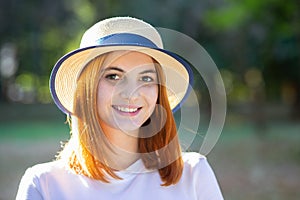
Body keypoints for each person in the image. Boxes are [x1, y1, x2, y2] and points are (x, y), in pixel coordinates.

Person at [16, 16, 224, 200]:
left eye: (146, 78)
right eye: (113, 76)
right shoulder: (44, 185)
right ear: (87, 89)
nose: (131, 93)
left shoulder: (193, 174)